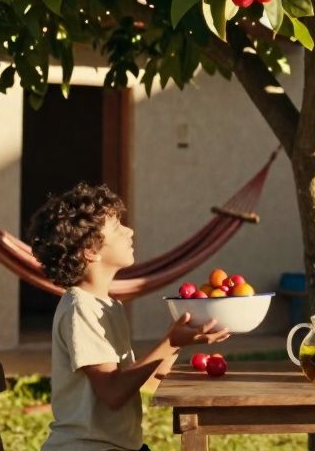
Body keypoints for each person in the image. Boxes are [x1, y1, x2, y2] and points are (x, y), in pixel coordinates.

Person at [27, 183, 230, 451]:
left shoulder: (107, 305)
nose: (129, 231)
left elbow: (141, 379)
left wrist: (179, 340)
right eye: (117, 226)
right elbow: (113, 393)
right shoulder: (80, 308)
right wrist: (169, 342)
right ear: (91, 251)